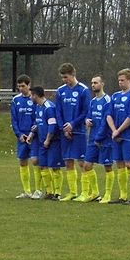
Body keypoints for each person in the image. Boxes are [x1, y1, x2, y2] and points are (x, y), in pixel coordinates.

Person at [54, 62, 91, 201]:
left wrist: (73, 124)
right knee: (68, 162)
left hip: (79, 131)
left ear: (73, 74)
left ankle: (86, 192)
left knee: (82, 162)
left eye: (66, 77)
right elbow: (58, 111)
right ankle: (72, 192)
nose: (64, 80)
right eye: (63, 78)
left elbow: (86, 111)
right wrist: (64, 127)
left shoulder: (83, 90)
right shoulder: (60, 91)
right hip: (65, 132)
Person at [76, 75, 116, 203]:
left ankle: (108, 195)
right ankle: (94, 193)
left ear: (102, 84)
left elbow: (107, 121)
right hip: (93, 139)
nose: (93, 85)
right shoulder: (92, 102)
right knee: (87, 166)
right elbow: (88, 116)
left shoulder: (108, 101)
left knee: (107, 166)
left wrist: (100, 137)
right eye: (92, 83)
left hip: (105, 139)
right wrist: (87, 120)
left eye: (96, 83)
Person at [106, 68, 130, 205]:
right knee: (119, 165)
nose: (120, 83)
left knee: (129, 165)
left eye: (123, 80)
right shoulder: (115, 96)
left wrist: (119, 130)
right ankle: (123, 196)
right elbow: (108, 115)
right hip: (116, 136)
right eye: (119, 80)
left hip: (129, 136)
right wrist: (114, 130)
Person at [28, 85, 64, 200]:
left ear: (35, 95)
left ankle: (57, 193)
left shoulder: (49, 107)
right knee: (43, 166)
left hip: (52, 141)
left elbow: (52, 125)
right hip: (41, 141)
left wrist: (48, 139)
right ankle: (49, 191)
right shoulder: (38, 107)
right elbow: (39, 124)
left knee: (54, 167)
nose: (30, 98)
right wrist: (32, 133)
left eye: (31, 95)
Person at [10, 75, 37, 199]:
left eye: (23, 86)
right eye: (19, 86)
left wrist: (32, 133)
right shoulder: (16, 100)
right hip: (22, 136)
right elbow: (14, 120)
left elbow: (38, 117)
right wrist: (19, 134)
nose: (21, 88)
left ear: (29, 85)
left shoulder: (34, 98)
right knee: (22, 162)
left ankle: (38, 190)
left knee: (36, 161)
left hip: (34, 136)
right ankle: (27, 191)